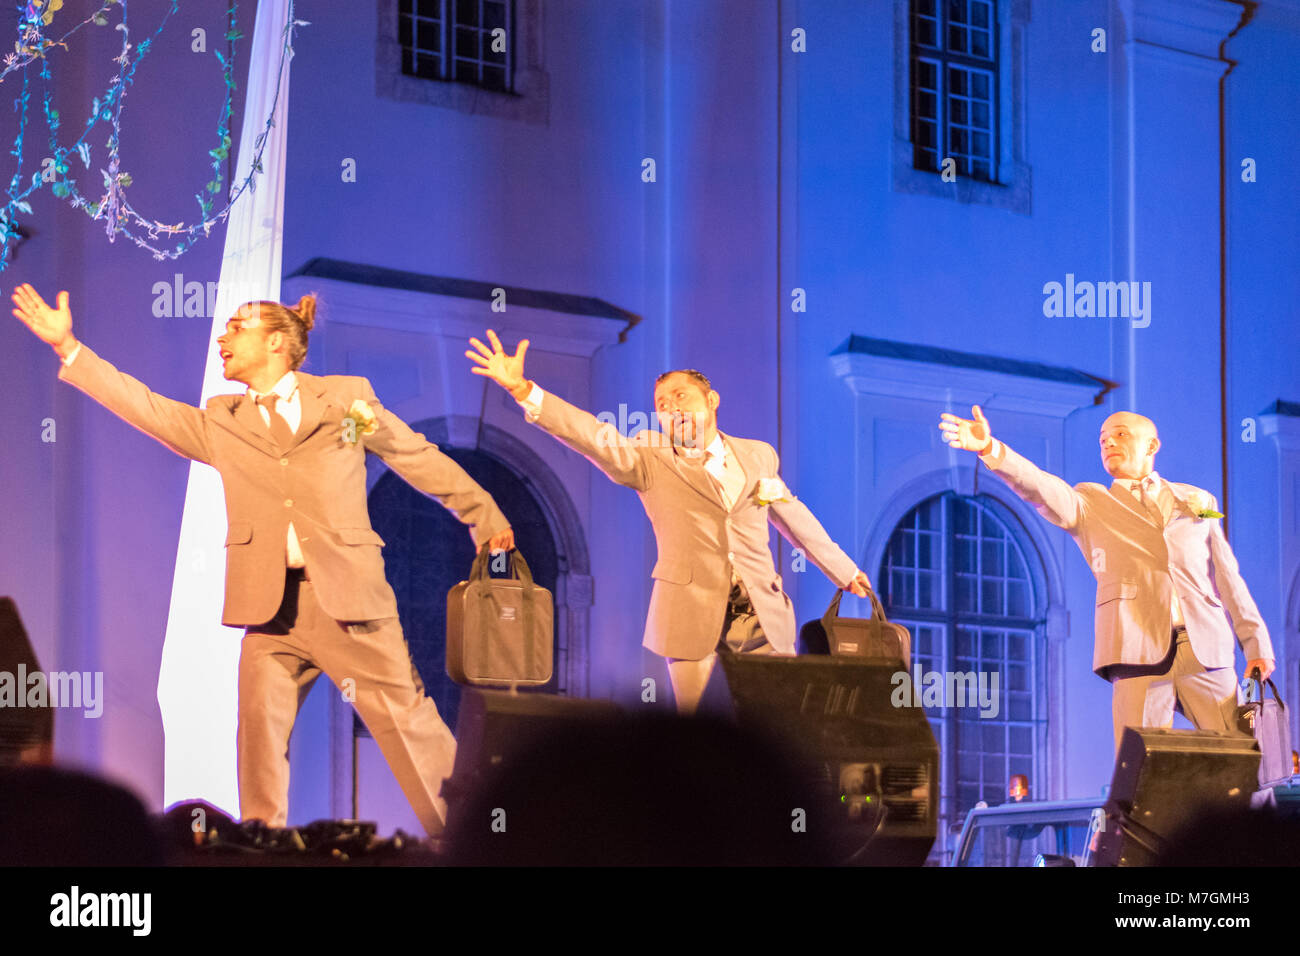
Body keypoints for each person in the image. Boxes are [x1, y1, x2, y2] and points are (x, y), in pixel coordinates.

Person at [12, 284, 514, 835]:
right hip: (270, 612)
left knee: (411, 728)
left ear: (276, 342)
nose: (222, 338)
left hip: (349, 602)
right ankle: (260, 848)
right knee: (258, 741)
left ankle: (470, 841)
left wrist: (483, 515)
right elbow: (148, 409)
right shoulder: (225, 423)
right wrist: (70, 350)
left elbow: (411, 455)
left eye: (235, 328)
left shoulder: (345, 406)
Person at [467, 329, 872, 715]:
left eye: (681, 396)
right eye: (662, 402)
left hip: (761, 617)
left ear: (712, 399)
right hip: (690, 616)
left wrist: (842, 568)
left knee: (775, 733)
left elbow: (790, 513)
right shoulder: (650, 456)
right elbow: (592, 434)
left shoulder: (758, 456)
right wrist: (523, 390)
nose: (671, 406)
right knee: (698, 739)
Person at [939, 405, 1274, 752]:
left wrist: (1256, 643)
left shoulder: (1199, 500)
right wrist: (991, 449)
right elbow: (1039, 486)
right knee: (1140, 770)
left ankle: (1257, 809)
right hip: (1137, 647)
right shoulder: (1090, 502)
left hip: (1206, 649)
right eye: (1103, 440)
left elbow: (1227, 574)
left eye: (1120, 434)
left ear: (1152, 445)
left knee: (1245, 758)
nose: (1109, 443)